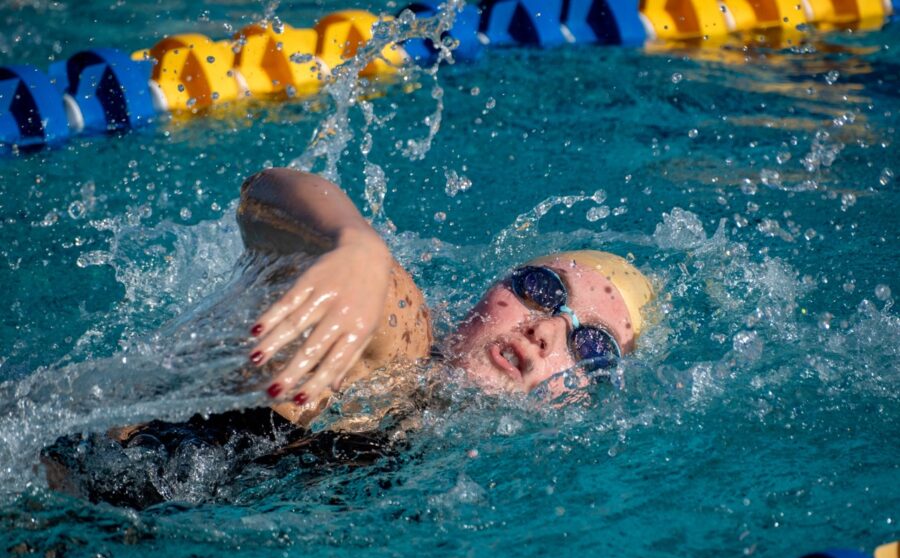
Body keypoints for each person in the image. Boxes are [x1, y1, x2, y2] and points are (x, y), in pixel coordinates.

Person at [41, 168, 654, 508]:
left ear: (586, 400)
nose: (547, 329)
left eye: (591, 347)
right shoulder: (399, 338)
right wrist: (356, 246)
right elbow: (267, 191)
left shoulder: (478, 471)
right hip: (54, 478)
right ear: (487, 292)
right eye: (542, 290)